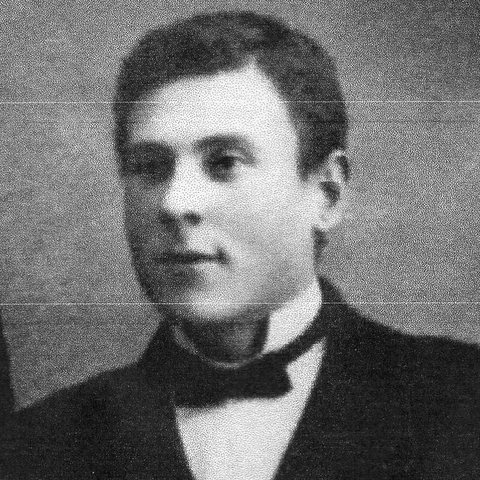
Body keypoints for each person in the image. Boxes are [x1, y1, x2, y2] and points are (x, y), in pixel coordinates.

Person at [1, 10, 479, 480]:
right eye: (150, 166)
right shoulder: (38, 445)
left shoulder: (462, 401)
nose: (175, 202)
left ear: (326, 193)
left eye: (225, 162)